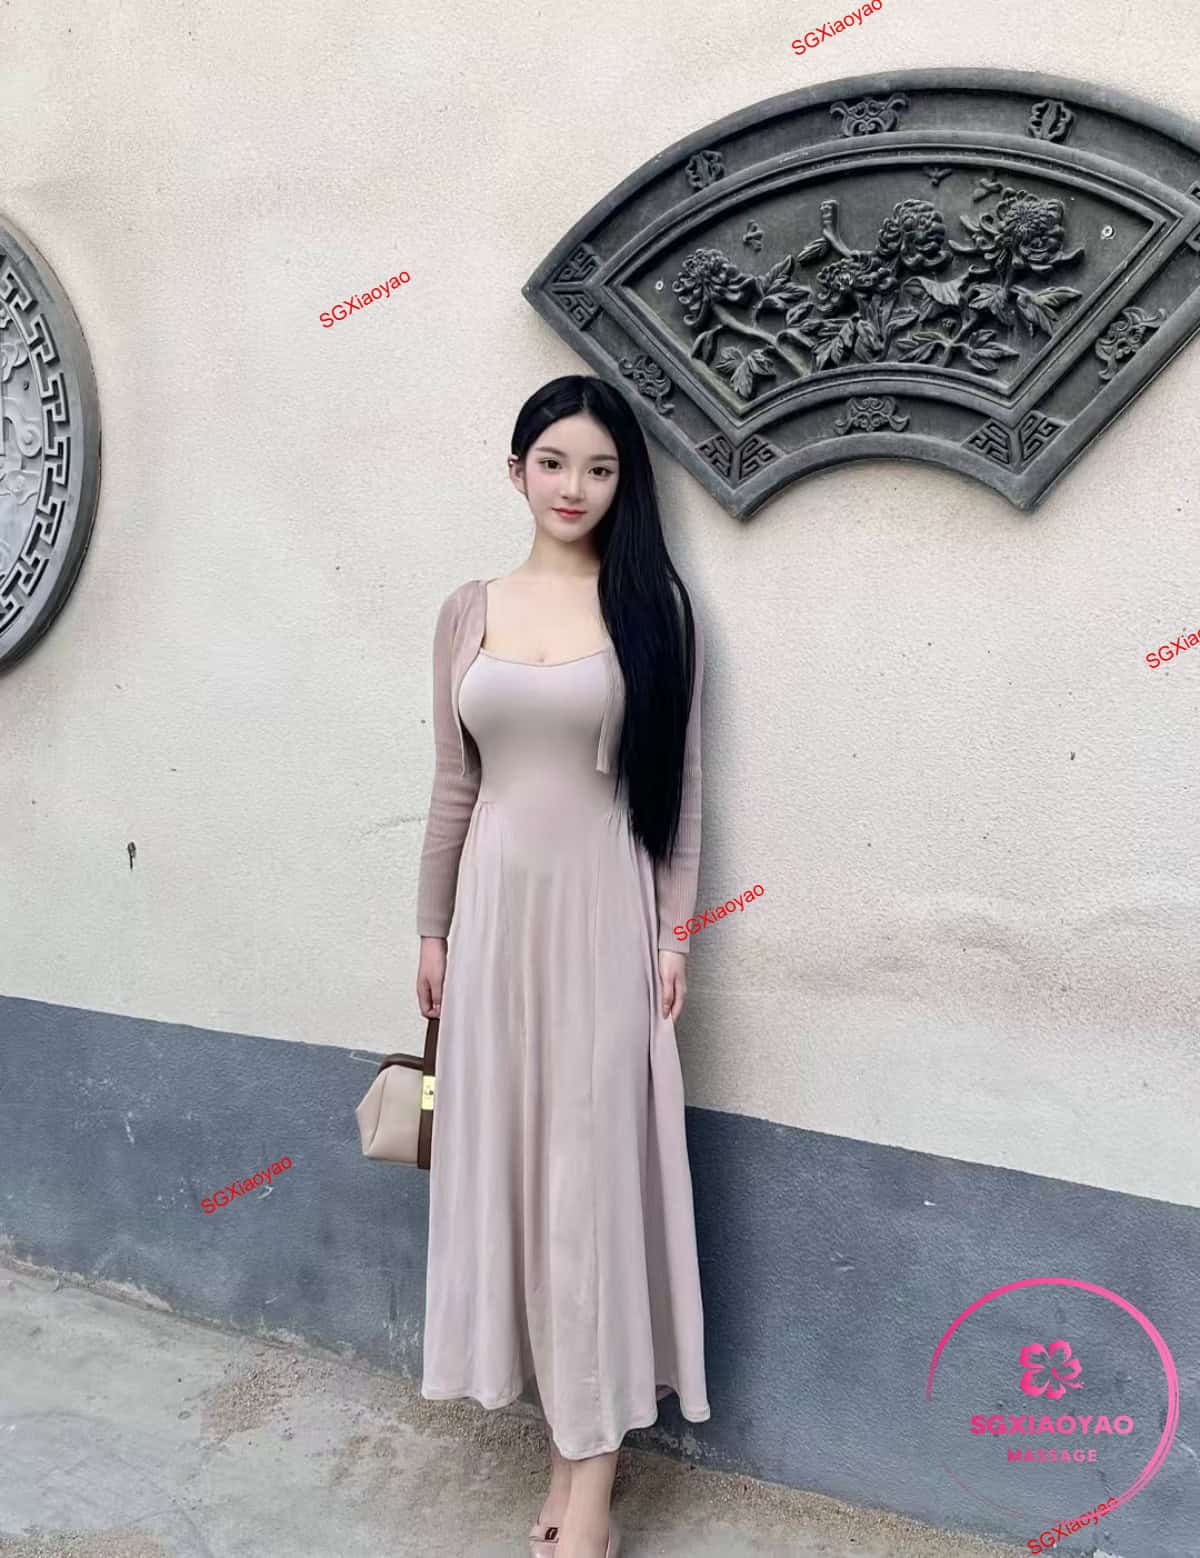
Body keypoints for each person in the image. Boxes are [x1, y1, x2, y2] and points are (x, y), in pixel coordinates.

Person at [415, 374, 711, 1558]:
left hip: (602, 914)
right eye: (553, 463)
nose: (574, 486)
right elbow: (452, 782)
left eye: (599, 467)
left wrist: (675, 933)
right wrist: (431, 928)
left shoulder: (652, 610)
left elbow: (682, 786)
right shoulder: (468, 609)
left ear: (622, 481)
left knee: (589, 1188)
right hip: (493, 917)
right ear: (517, 471)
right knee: (522, 1183)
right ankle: (565, 1443)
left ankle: (591, 1486)